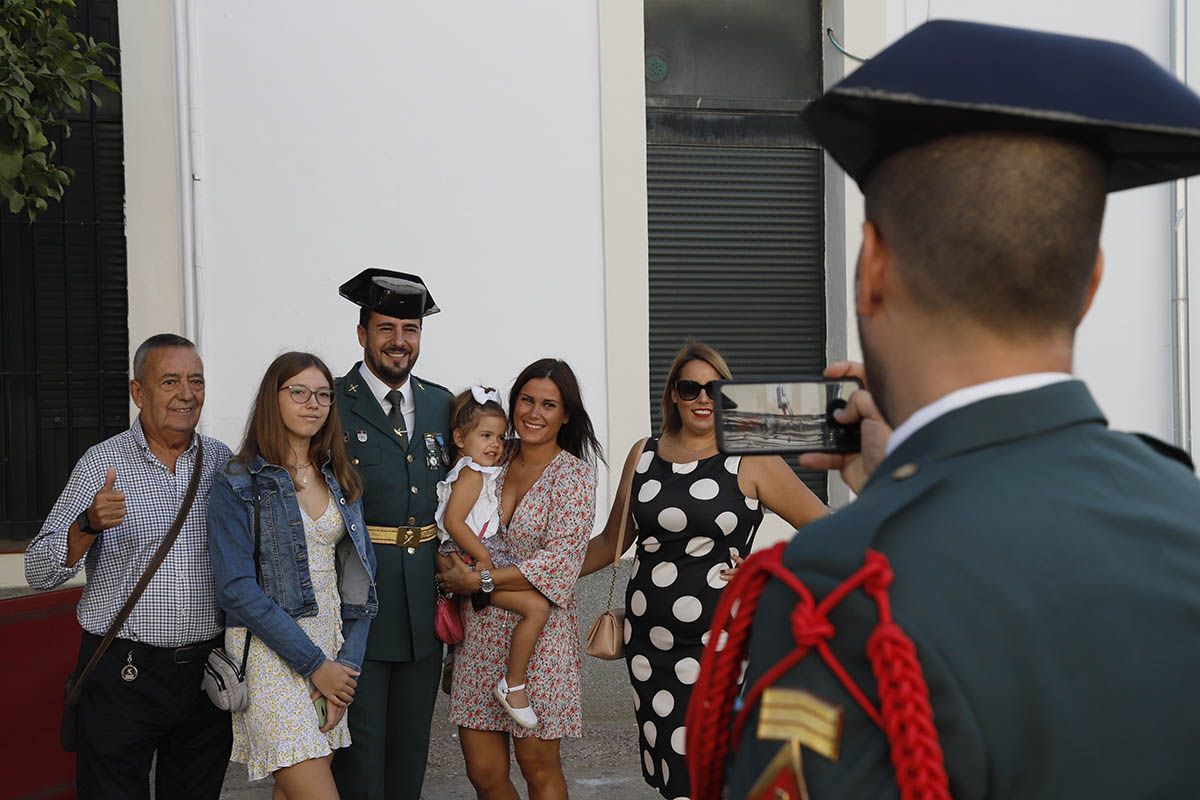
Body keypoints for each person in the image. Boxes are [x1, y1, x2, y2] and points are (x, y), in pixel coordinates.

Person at [683, 20, 1200, 800]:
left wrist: (903, 506)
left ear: (874, 268)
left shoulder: (846, 585)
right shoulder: (1183, 515)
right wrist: (909, 481)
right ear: (1091, 281)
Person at [579, 341, 827, 800]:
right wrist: (535, 573)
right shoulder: (644, 456)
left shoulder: (752, 459)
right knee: (674, 776)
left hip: (720, 646)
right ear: (673, 394)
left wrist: (767, 571)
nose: (703, 399)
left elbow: (826, 530)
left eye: (715, 388)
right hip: (648, 648)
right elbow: (611, 540)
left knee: (709, 769)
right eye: (691, 388)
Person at [25, 333, 233, 799]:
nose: (186, 394)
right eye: (170, 381)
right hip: (122, 671)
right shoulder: (103, 463)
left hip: (203, 674)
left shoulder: (223, 462)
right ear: (138, 392)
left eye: (196, 381)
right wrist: (87, 524)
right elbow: (39, 571)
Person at [208, 352, 377, 798]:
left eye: (323, 394)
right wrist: (315, 666)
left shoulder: (342, 478)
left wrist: (345, 669)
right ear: (273, 398)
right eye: (298, 392)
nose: (312, 403)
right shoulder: (237, 481)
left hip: (331, 644)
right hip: (270, 654)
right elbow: (236, 589)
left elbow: (361, 584)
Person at [437, 358, 600, 800]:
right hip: (480, 632)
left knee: (538, 768)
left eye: (549, 404)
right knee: (483, 772)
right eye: (527, 400)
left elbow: (561, 560)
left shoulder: (574, 475)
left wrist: (481, 580)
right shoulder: (492, 455)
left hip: (539, 638)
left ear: (565, 414)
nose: (534, 412)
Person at [329, 268, 453, 800]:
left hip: (422, 600)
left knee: (411, 749)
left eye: (410, 328)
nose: (399, 341)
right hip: (356, 602)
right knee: (358, 752)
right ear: (362, 334)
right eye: (386, 328)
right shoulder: (331, 400)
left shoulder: (441, 404)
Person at [435, 386, 550, 729]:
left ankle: (457, 663)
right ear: (459, 437)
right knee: (537, 608)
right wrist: (484, 557)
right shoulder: (470, 472)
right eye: (485, 435)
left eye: (500, 437)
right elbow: (454, 521)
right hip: (468, 553)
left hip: (471, 551)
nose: (495, 445)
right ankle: (514, 685)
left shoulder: (479, 469)